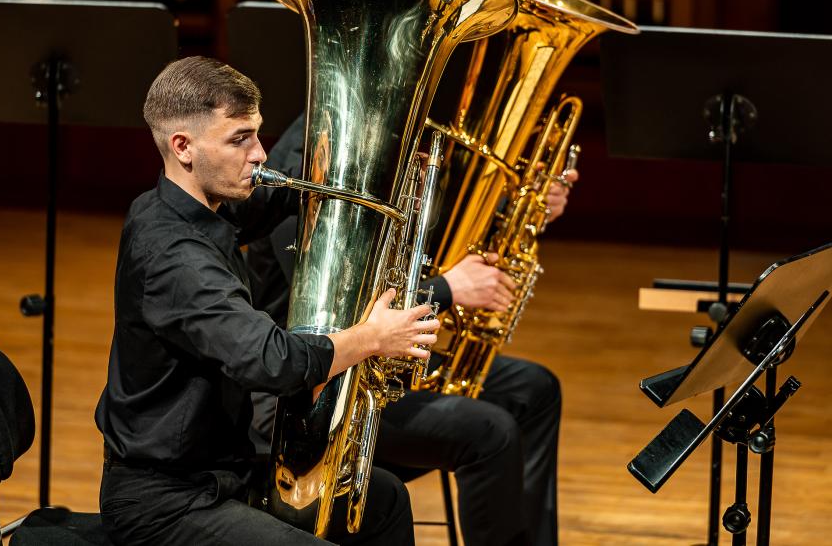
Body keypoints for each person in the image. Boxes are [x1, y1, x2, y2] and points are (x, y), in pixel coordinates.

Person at [94, 57, 440, 545]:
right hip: (166, 501)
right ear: (183, 147)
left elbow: (270, 201)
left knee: (384, 500)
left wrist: (375, 153)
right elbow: (271, 361)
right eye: (240, 139)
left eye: (256, 134)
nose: (259, 154)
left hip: (224, 470)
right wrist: (372, 338)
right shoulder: (174, 258)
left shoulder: (188, 204)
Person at [248, 113, 578, 546]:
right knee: (490, 432)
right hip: (312, 395)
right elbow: (341, 312)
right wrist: (448, 288)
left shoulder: (382, 155)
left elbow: (425, 245)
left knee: (534, 389)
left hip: (379, 365)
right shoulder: (301, 181)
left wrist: (523, 206)